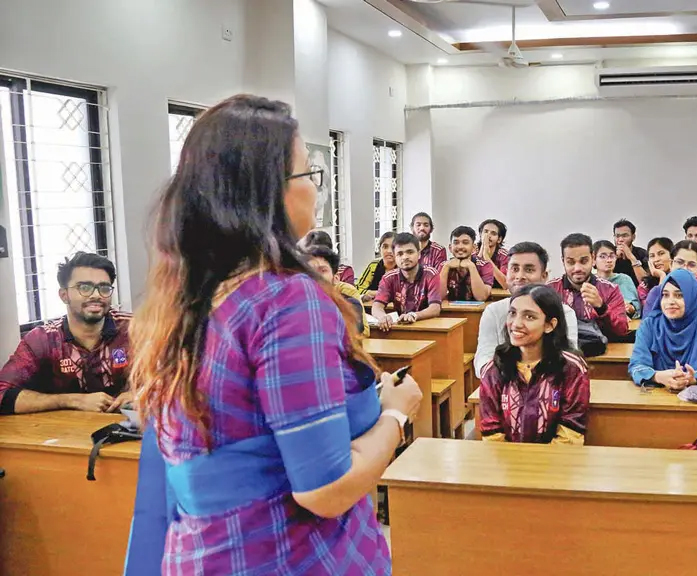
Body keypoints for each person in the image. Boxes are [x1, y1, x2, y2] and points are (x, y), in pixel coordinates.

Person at [126, 95, 419, 573]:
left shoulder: (188, 295)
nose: (316, 189)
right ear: (267, 190)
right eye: (308, 173)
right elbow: (326, 489)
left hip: (206, 551)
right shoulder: (285, 300)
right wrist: (396, 416)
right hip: (282, 555)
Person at [0, 252, 132, 415]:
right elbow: (2, 394)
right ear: (64, 295)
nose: (96, 295)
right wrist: (72, 400)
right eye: (85, 287)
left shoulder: (135, 329)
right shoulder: (43, 339)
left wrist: (142, 394)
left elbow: (172, 379)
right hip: (61, 435)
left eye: (104, 288)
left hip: (132, 431)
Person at [478, 284, 590, 444]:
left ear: (549, 325)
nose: (516, 323)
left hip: (557, 463)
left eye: (529, 317)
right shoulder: (496, 368)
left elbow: (571, 430)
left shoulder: (571, 368)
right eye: (512, 313)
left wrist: (539, 466)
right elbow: (491, 431)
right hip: (505, 463)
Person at [475, 242, 579, 377]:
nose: (520, 276)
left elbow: (569, 359)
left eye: (529, 270)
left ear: (544, 276)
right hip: (504, 383)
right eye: (514, 269)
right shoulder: (493, 311)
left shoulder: (565, 313)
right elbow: (483, 360)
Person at [628, 269, 697, 391]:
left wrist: (693, 378)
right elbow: (637, 364)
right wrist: (658, 377)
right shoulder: (650, 325)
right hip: (657, 397)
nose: (670, 301)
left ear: (692, 297)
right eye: (665, 295)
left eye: (679, 295)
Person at [548, 233, 629, 340]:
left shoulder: (610, 289)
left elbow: (622, 331)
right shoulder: (550, 289)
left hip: (601, 353)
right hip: (560, 354)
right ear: (563, 261)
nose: (577, 268)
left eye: (584, 261)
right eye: (570, 262)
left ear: (593, 258)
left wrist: (601, 307)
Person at [372, 232, 443, 331]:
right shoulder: (388, 278)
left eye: (410, 252)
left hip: (428, 328)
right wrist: (382, 316)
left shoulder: (431, 274)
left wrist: (414, 315)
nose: (405, 257)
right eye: (400, 254)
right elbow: (376, 306)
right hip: (402, 328)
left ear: (419, 254)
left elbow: (435, 308)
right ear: (395, 257)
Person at [642, 240, 697, 323]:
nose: (684, 268)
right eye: (679, 262)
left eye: (691, 265)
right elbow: (646, 328)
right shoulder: (655, 293)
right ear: (671, 264)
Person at [304, 243, 369, 336]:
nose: (316, 276)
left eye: (323, 270)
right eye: (310, 271)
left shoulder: (350, 305)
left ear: (336, 278)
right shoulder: (298, 306)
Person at [439, 226, 493, 302]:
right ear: (450, 248)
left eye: (465, 243)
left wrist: (472, 267)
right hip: (451, 312)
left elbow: (481, 297)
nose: (460, 247)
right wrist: (446, 267)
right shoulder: (443, 265)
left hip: (479, 312)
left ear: (474, 248)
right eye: (456, 243)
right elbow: (438, 297)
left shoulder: (485, 265)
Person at [593, 240, 641, 319]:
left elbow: (636, 308)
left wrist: (631, 308)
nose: (609, 260)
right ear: (593, 260)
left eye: (612, 256)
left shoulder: (624, 279)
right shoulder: (589, 281)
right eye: (602, 256)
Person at [355, 231, 396, 302]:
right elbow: (358, 289)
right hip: (372, 307)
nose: (389, 251)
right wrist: (378, 293)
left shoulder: (404, 268)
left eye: (393, 247)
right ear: (380, 249)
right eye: (385, 247)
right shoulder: (374, 266)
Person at [638, 237, 673, 308]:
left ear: (672, 255)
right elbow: (652, 309)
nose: (656, 259)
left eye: (661, 253)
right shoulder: (645, 286)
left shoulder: (684, 278)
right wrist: (662, 276)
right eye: (652, 256)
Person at [612, 219, 648, 286]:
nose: (620, 240)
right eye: (617, 236)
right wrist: (614, 257)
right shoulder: (609, 252)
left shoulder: (642, 253)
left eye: (625, 236)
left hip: (638, 294)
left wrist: (631, 257)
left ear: (633, 237)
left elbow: (646, 283)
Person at [477, 219, 510, 289]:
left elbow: (506, 285)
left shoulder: (504, 255)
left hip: (499, 295)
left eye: (493, 233)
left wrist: (487, 258)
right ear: (480, 234)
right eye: (485, 232)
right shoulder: (472, 251)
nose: (488, 236)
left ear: (499, 239)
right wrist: (481, 254)